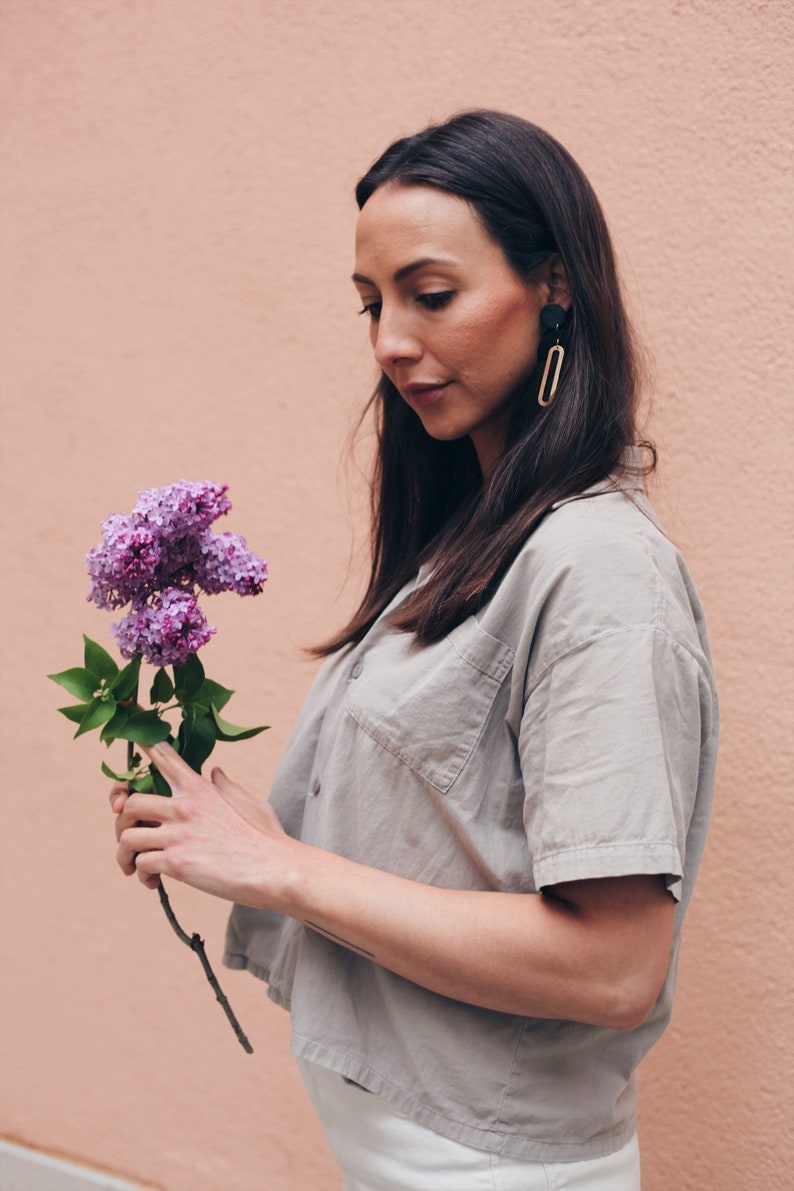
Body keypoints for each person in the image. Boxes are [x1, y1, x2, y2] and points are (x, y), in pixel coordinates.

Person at [111, 110, 718, 1189]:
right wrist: (244, 837)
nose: (390, 340)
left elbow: (614, 966)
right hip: (412, 1147)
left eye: (429, 295)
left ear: (554, 284)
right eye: (371, 304)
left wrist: (283, 870)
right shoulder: (477, 534)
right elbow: (452, 839)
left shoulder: (592, 565)